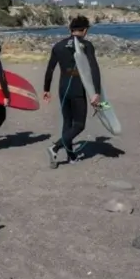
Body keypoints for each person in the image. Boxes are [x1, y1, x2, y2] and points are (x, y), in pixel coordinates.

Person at [43, 15, 101, 168]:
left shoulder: (58, 46)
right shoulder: (86, 45)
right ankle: (55, 147)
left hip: (63, 86)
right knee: (79, 124)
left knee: (67, 122)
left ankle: (71, 156)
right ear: (85, 30)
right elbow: (93, 68)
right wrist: (96, 92)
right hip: (78, 87)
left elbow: (50, 69)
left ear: (70, 29)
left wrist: (46, 89)